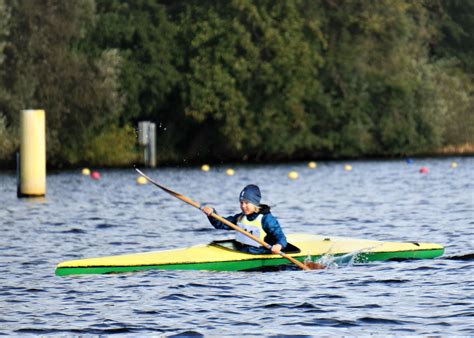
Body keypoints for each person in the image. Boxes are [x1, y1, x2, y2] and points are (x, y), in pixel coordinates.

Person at [201, 184, 287, 255]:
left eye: (246, 203)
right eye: (241, 202)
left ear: (254, 204)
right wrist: (211, 213)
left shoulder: (266, 219)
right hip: (242, 251)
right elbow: (220, 224)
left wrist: (279, 246)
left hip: (260, 253)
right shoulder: (240, 217)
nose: (243, 206)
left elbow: (281, 237)